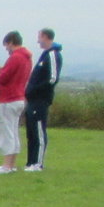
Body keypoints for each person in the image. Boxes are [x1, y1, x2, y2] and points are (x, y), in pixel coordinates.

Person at [0, 30, 31, 174]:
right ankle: (11, 164)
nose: (6, 49)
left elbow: (2, 79)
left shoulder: (15, 57)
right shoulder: (26, 57)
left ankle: (6, 166)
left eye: (6, 45)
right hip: (19, 98)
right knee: (13, 131)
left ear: (11, 42)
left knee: (6, 132)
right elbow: (12, 74)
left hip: (9, 99)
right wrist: (2, 68)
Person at [25, 28, 62, 171]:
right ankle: (30, 162)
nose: (37, 41)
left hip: (41, 100)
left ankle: (38, 163)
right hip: (32, 100)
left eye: (39, 37)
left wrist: (35, 90)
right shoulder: (44, 55)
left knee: (39, 131)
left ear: (46, 37)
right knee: (31, 131)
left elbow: (52, 78)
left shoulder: (53, 55)